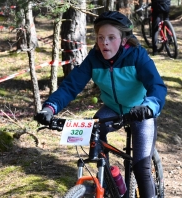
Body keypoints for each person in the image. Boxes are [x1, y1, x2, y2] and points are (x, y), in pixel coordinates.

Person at [34, 11, 167, 198]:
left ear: (123, 40)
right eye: (100, 37)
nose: (105, 43)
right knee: (94, 137)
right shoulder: (94, 59)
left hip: (140, 110)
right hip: (112, 108)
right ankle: (110, 180)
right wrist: (50, 108)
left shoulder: (137, 55)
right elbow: (71, 86)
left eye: (111, 38)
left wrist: (149, 107)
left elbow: (157, 86)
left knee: (140, 166)